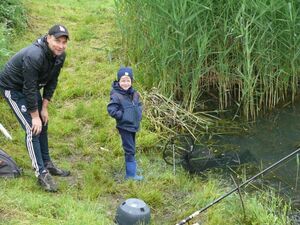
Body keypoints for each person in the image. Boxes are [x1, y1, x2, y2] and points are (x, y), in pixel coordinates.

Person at [0, 24, 71, 192]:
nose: (60, 45)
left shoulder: (60, 55)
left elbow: (52, 81)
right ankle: (41, 173)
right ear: (48, 38)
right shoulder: (35, 55)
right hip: (13, 88)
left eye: (64, 42)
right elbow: (29, 88)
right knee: (33, 128)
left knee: (43, 123)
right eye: (57, 41)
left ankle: (47, 163)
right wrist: (34, 116)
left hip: (30, 88)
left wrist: (44, 108)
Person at [107, 67, 143, 181]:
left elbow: (139, 104)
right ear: (118, 81)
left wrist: (139, 112)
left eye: (128, 80)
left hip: (134, 125)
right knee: (130, 149)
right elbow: (111, 109)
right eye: (123, 80)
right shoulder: (116, 95)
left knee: (132, 147)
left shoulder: (134, 94)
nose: (125, 83)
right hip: (125, 126)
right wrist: (122, 116)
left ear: (131, 81)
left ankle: (132, 170)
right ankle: (130, 176)